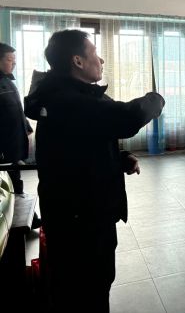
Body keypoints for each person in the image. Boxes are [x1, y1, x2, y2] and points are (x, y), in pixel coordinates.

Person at [24, 30, 165, 313]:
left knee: (94, 284)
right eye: (95, 54)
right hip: (80, 221)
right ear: (77, 61)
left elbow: (82, 142)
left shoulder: (66, 95)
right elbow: (128, 117)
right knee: (87, 290)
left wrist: (120, 158)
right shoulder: (67, 100)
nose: (100, 60)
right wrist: (157, 98)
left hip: (84, 212)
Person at [0, 42, 41, 228]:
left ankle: (26, 218)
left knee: (16, 180)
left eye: (14, 60)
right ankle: (22, 221)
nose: (14, 63)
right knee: (10, 184)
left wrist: (27, 126)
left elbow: (16, 109)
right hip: (4, 148)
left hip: (15, 143)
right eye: (10, 60)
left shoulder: (8, 81)